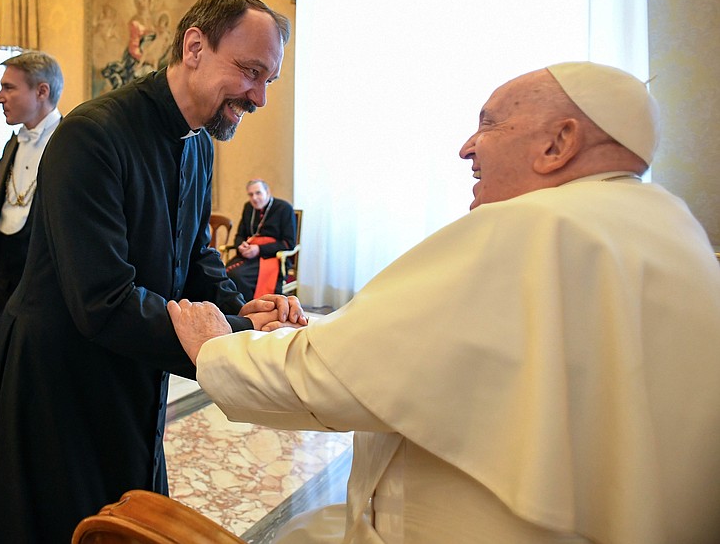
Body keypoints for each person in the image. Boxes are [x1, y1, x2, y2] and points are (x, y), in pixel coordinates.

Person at [168, 62, 720, 544]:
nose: (466, 147)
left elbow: (333, 375)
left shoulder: (534, 225)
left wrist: (218, 347)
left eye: (489, 123)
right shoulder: (674, 229)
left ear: (559, 143)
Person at [0, 0, 305, 543]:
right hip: (58, 383)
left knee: (126, 524)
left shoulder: (198, 142)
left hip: (130, 368)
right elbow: (102, 298)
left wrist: (242, 307)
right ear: (195, 46)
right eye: (250, 72)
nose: (260, 97)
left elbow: (194, 255)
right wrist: (236, 336)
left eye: (268, 79)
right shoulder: (93, 134)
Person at [0, 50, 64, 309]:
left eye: (8, 88)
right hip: (0, 280)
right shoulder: (12, 143)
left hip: (45, 288)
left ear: (41, 92)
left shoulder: (70, 143)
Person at [225, 178, 297, 299]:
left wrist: (259, 249)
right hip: (248, 255)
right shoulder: (248, 207)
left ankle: (246, 310)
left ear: (267, 192)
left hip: (272, 258)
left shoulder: (284, 208)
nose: (254, 198)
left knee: (238, 276)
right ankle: (229, 311)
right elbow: (240, 235)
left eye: (258, 193)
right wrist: (240, 246)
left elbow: (288, 243)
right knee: (223, 273)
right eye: (251, 194)